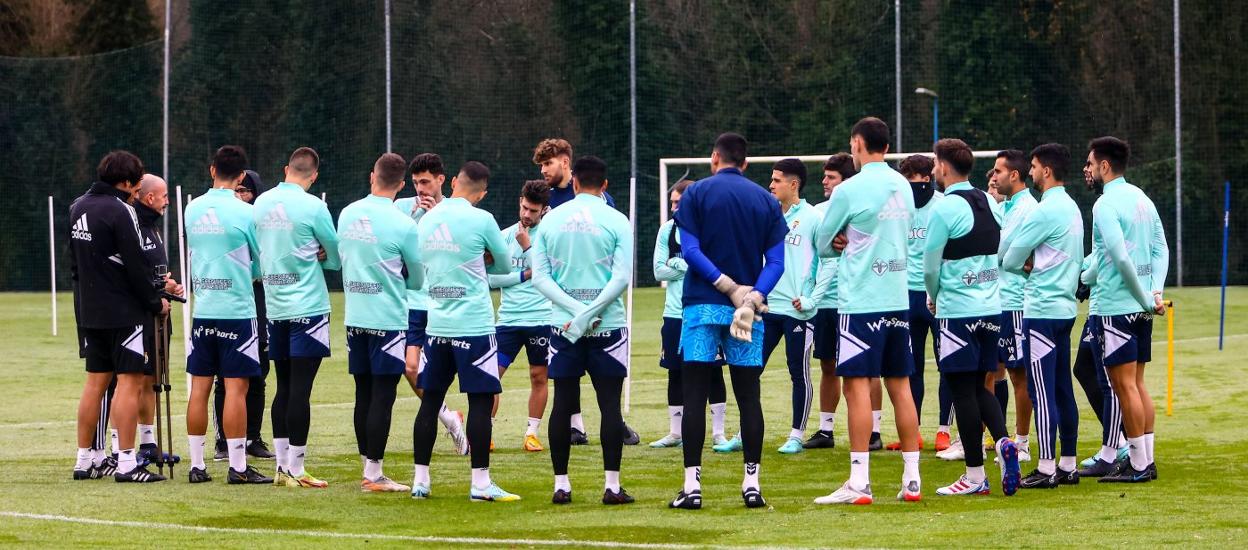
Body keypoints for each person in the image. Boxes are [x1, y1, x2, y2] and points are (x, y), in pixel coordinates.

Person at [669, 132, 788, 510]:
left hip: (703, 305)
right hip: (747, 310)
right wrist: (751, 295)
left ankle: (692, 487)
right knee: (748, 396)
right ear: (747, 163)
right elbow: (778, 264)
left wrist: (726, 286)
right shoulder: (766, 201)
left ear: (714, 158)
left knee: (695, 396)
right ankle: (752, 483)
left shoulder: (695, 193)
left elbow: (689, 251)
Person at [813, 118, 921, 505]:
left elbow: (823, 243)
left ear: (857, 144)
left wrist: (840, 240)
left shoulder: (849, 189)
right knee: (901, 387)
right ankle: (912, 480)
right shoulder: (903, 187)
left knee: (856, 388)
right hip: (897, 298)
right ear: (887, 147)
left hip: (860, 302)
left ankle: (859, 483)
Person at [410, 161, 519, 501]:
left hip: (437, 324)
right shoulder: (482, 219)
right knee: (480, 404)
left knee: (430, 403)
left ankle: (421, 481)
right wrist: (480, 258)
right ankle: (481, 484)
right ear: (482, 193)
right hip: (473, 325)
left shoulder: (427, 220)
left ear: (454, 182)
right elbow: (503, 265)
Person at [531, 155, 635, 505]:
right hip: (608, 324)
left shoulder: (551, 220)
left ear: (574, 182)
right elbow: (621, 278)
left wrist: (575, 311)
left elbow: (541, 279)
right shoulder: (617, 220)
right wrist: (590, 311)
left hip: (564, 325)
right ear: (604, 185)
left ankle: (561, 485)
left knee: (563, 403)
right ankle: (612, 486)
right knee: (610, 406)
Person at [922, 138, 1020, 497]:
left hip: (958, 313)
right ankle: (1005, 441)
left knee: (962, 391)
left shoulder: (944, 209)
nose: (933, 170)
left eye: (935, 164)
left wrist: (933, 296)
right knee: (981, 385)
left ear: (945, 167)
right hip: (991, 310)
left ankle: (975, 477)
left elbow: (929, 267)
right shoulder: (989, 202)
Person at [70, 150, 170, 482]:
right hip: (123, 313)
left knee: (95, 383)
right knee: (127, 383)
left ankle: (86, 459)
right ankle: (127, 462)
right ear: (126, 182)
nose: (137, 189)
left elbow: (74, 267)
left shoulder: (77, 207)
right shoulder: (122, 210)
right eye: (136, 182)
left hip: (89, 311)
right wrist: (156, 302)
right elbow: (135, 263)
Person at [182, 145, 272, 485]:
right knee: (236, 388)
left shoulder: (192, 208)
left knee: (200, 389)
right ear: (241, 177)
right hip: (236, 310)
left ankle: (197, 465)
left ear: (211, 170)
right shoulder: (246, 213)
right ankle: (237, 466)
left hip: (204, 310)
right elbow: (261, 260)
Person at [1082, 136, 1168, 483]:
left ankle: (1138, 464)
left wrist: (1144, 296)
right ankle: (1146, 459)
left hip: (1118, 306)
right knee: (1138, 384)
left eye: (1090, 163)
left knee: (1124, 387)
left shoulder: (1104, 204)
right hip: (1143, 305)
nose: (1088, 169)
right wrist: (1154, 291)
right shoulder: (1142, 198)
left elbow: (1119, 257)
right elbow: (1161, 246)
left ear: (1104, 166)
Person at [253, 146, 340, 488]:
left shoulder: (260, 203)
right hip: (308, 308)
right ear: (314, 176)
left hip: (275, 307)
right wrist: (321, 257)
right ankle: (297, 469)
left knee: (283, 387)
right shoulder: (315, 206)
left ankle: (281, 468)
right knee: (301, 390)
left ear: (286, 168)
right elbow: (335, 256)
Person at [337, 153, 423, 492]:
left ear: (372, 175)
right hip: (387, 319)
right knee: (383, 396)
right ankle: (373, 474)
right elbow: (417, 279)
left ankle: (368, 467)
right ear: (402, 184)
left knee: (363, 393)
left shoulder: (347, 213)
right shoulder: (404, 225)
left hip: (355, 316)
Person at [1001, 143, 1084, 488]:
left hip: (1042, 310)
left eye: (1034, 166)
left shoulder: (1043, 210)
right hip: (1065, 308)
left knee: (1041, 390)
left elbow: (1008, 258)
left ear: (1046, 171)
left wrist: (1026, 267)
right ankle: (1068, 463)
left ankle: (1047, 467)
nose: (1032, 172)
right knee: (1063, 386)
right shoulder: (1074, 207)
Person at [90, 173, 183, 473]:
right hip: (135, 313)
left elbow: (149, 270)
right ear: (149, 197)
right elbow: (131, 273)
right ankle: (119, 449)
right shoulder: (129, 221)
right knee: (128, 382)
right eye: (164, 195)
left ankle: (147, 443)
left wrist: (167, 285)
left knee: (152, 380)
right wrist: (156, 294)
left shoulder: (153, 225)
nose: (168, 200)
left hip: (158, 311)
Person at [393, 153, 469, 455]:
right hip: (412, 301)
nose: (421, 188)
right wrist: (416, 216)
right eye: (415, 183)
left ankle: (464, 423)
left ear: (441, 180)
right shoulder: (402, 208)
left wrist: (438, 215)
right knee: (411, 368)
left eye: (425, 181)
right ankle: (449, 416)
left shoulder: (455, 210)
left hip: (445, 305)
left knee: (450, 370)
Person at [649, 180, 730, 450]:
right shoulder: (667, 230)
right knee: (675, 371)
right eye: (672, 202)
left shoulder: (711, 229)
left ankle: (719, 433)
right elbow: (658, 271)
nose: (673, 207)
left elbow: (715, 269)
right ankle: (675, 432)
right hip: (674, 313)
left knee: (713, 372)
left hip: (705, 310)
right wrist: (692, 266)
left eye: (678, 203)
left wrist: (678, 262)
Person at [213, 170, 275, 461]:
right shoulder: (224, 221)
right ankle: (223, 441)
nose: (240, 196)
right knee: (223, 377)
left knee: (258, 372)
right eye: (236, 190)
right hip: (227, 304)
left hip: (259, 302)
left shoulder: (261, 222)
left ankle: (253, 437)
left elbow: (267, 260)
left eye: (245, 191)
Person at [762, 158, 822, 455]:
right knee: (750, 369)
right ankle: (746, 429)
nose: (771, 185)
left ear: (793, 184)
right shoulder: (766, 216)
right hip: (767, 308)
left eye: (776, 180)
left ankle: (796, 435)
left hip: (799, 311)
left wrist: (812, 298)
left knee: (798, 372)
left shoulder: (813, 217)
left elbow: (828, 264)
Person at [489, 180, 554, 452]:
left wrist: (528, 248)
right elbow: (491, 279)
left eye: (534, 211)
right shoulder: (504, 237)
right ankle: (486, 432)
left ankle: (531, 433)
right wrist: (522, 275)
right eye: (525, 208)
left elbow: (550, 277)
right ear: (520, 202)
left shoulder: (550, 238)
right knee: (490, 377)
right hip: (508, 320)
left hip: (540, 319)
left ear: (544, 211)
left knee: (539, 377)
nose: (527, 215)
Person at [891, 154, 950, 453]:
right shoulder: (899, 207)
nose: (911, 185)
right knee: (909, 368)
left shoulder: (943, 205)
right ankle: (910, 432)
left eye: (915, 178)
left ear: (928, 178)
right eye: (906, 179)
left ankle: (944, 429)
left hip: (937, 296)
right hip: (905, 296)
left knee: (947, 365)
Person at [803, 154, 852, 450]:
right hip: (824, 304)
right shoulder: (818, 212)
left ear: (845, 182)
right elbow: (814, 260)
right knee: (827, 366)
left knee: (863, 370)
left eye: (831, 177)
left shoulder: (858, 209)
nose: (824, 181)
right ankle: (826, 430)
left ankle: (872, 430)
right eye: (824, 176)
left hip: (852, 302)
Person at [991, 150, 1037, 460]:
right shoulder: (1006, 206)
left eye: (998, 171)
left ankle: (1021, 442)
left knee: (1019, 375)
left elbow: (1000, 253)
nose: (993, 177)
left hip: (1016, 303)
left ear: (1014, 175)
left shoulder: (1026, 209)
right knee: (990, 372)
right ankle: (995, 438)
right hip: (998, 300)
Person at [533, 138, 616, 210]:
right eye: (541, 165)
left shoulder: (590, 192)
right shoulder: (542, 197)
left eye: (548, 163)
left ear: (565, 162)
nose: (543, 170)